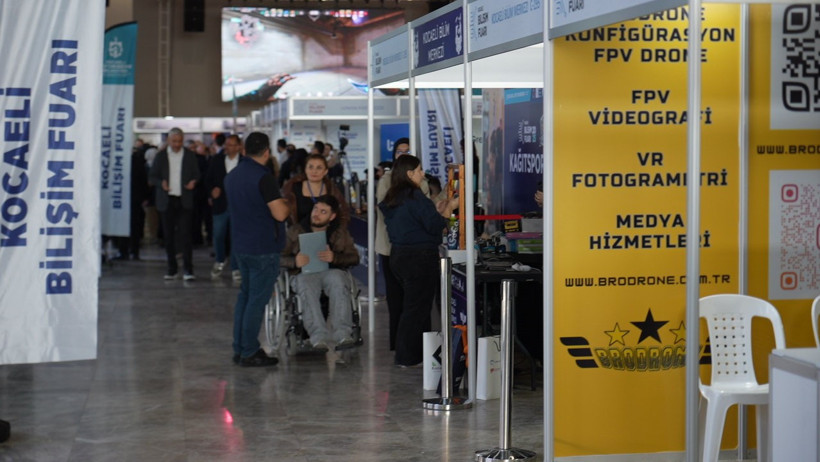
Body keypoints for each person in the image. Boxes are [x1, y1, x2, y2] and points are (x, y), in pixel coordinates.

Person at [379, 155, 458, 367]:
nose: (423, 174)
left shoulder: (393, 197)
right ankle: (409, 356)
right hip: (419, 258)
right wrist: (448, 210)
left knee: (412, 307)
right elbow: (434, 227)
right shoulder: (415, 197)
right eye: (419, 170)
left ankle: (416, 353)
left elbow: (417, 221)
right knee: (417, 309)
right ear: (409, 173)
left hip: (398, 256)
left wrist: (437, 212)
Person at [224, 132, 289, 367]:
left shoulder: (231, 176)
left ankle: (239, 348)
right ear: (266, 152)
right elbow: (280, 213)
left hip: (241, 246)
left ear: (243, 150)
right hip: (262, 247)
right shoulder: (264, 178)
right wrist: (286, 204)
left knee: (245, 297)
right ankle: (250, 350)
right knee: (256, 301)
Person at [280, 195, 360, 351]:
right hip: (303, 273)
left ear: (332, 216)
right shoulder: (295, 230)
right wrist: (294, 261)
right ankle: (318, 337)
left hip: (331, 272)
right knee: (306, 285)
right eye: (315, 209)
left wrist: (334, 257)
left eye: (323, 212)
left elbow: (354, 257)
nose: (316, 214)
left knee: (338, 280)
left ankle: (342, 334)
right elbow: (278, 257)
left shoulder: (339, 233)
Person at [375, 138, 433, 352]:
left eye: (407, 151)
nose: (402, 154)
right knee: (396, 300)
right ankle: (398, 346)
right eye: (399, 151)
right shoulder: (386, 181)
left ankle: (417, 347)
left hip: (416, 248)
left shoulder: (422, 181)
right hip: (390, 247)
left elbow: (428, 211)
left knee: (416, 303)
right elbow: (388, 210)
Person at [149, 127, 200, 280]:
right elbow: (151, 177)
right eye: (174, 141)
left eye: (179, 141)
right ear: (168, 141)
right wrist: (161, 183)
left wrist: (193, 181)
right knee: (169, 236)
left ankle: (188, 269)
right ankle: (172, 269)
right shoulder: (161, 156)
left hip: (184, 200)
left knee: (185, 235)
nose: (177, 144)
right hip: (167, 200)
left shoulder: (190, 156)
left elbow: (197, 174)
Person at [205, 134, 242, 281]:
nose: (229, 147)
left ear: (239, 146)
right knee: (219, 234)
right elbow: (207, 179)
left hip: (239, 206)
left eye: (232, 144)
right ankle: (220, 260)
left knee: (236, 237)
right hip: (220, 205)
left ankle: (235, 267)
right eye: (227, 144)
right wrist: (211, 191)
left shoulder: (244, 162)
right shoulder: (217, 160)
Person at [282, 153, 349, 226]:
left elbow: (343, 213)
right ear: (305, 169)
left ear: (325, 171)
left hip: (327, 234)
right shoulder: (292, 188)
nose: (314, 171)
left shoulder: (332, 189)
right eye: (310, 167)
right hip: (299, 234)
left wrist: (338, 232)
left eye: (319, 168)